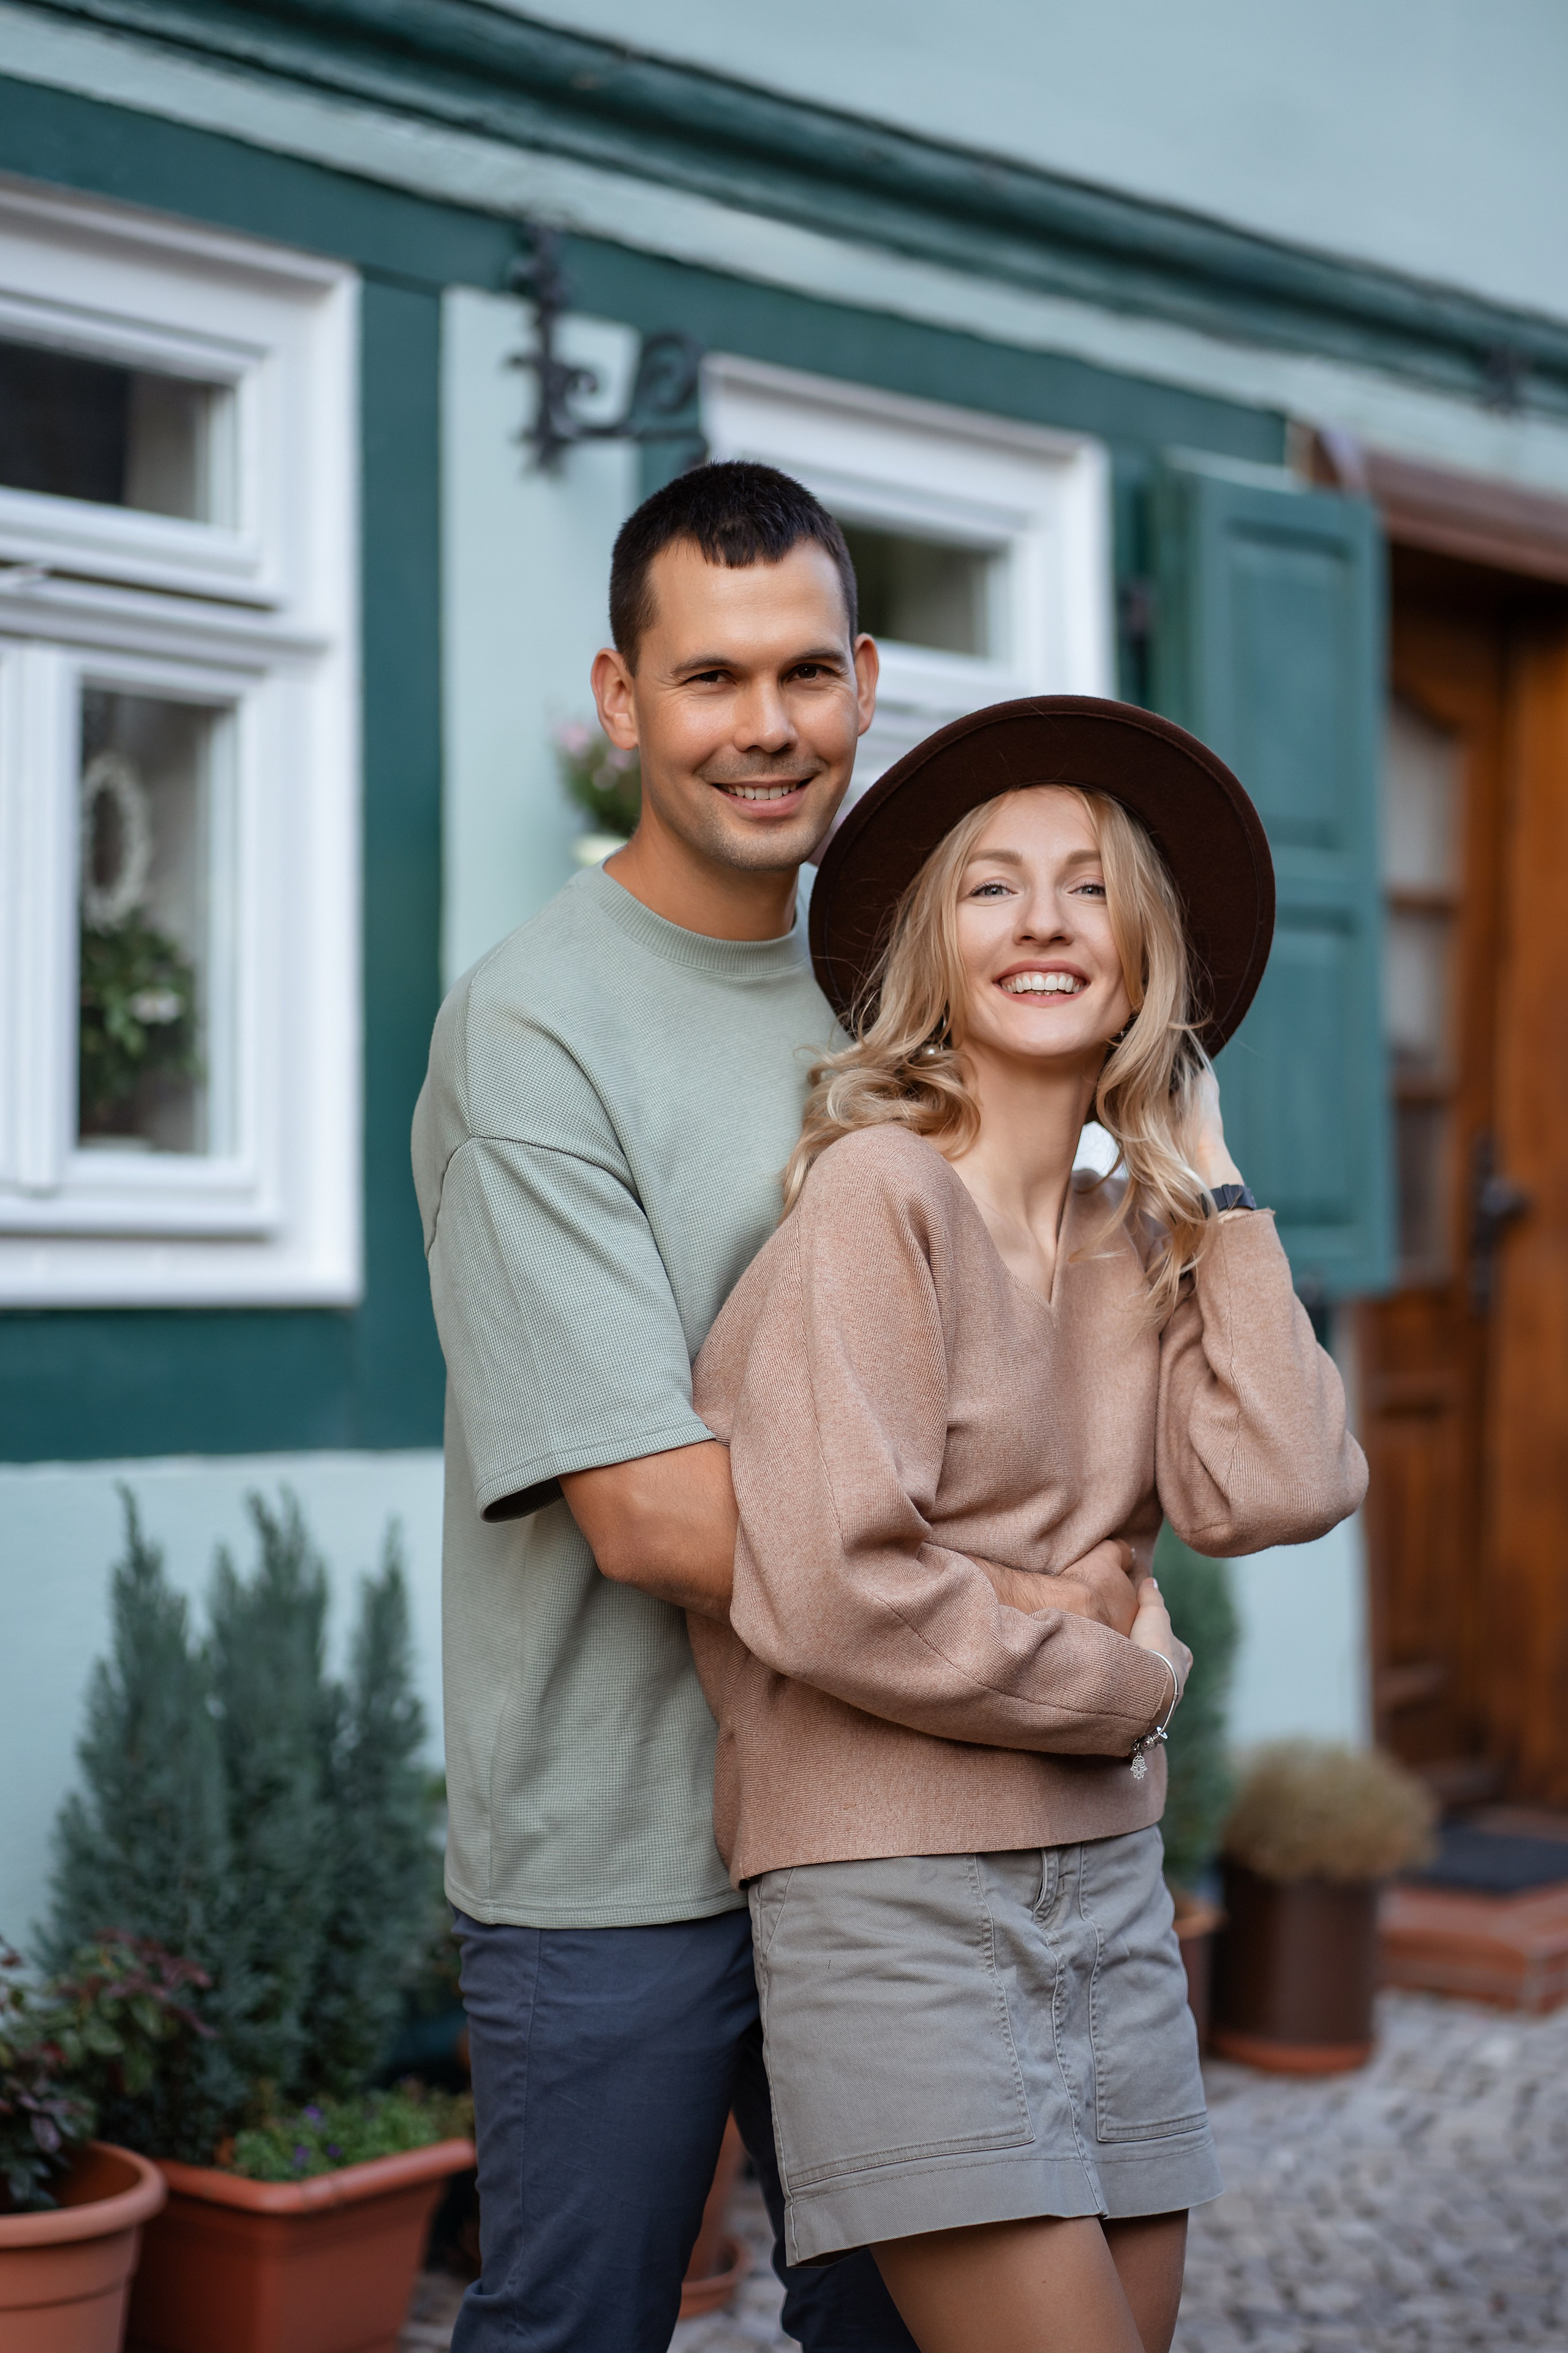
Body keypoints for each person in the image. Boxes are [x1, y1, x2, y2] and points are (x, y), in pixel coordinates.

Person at [687, 698, 1370, 2353]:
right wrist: (1113, 1662)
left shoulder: (1139, 1236)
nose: (1049, 918)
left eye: (1090, 884)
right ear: (937, 946)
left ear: (1149, 951)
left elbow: (1280, 1482)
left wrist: (1210, 1183)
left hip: (1112, 1887)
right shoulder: (875, 1196)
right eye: (994, 886)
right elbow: (841, 1589)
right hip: (895, 1886)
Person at [415, 460, 955, 2352]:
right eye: (712, 679)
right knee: (576, 2332)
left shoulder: (910, 993)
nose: (768, 727)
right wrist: (1023, 1638)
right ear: (623, 698)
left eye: (805, 673)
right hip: (616, 1845)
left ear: (867, 683)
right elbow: (646, 1513)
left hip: (880, 1814)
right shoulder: (536, 1025)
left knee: (904, 2324)